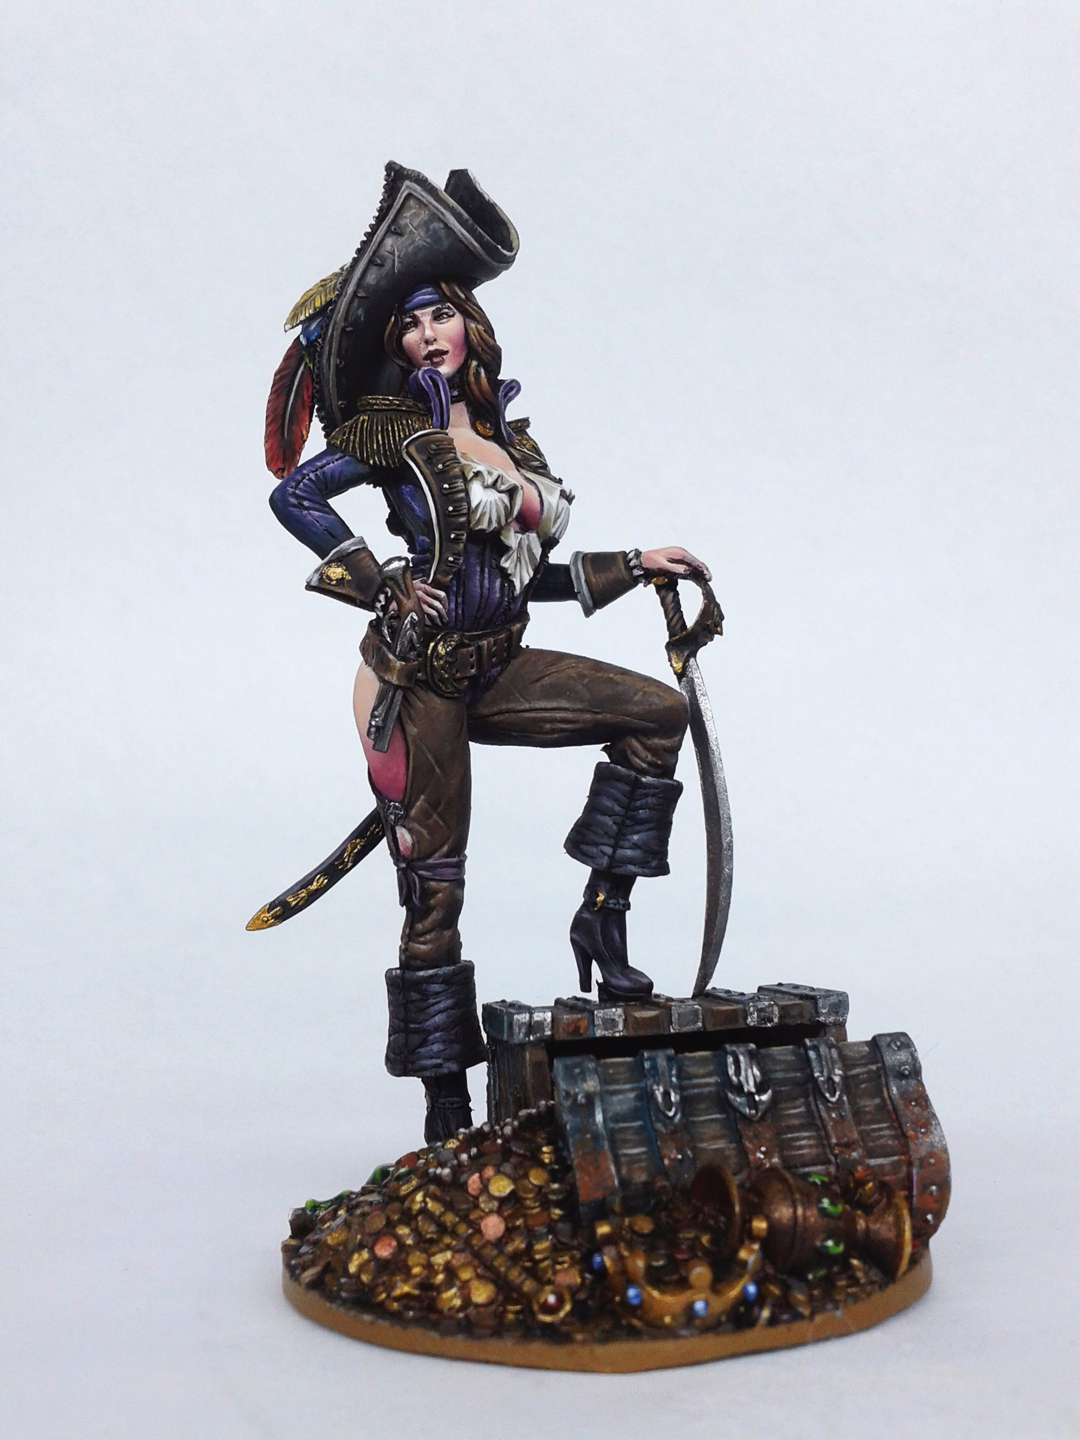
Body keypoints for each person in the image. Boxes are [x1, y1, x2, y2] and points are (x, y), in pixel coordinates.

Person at [265, 165, 711, 1142]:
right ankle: (445, 1101)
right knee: (436, 889)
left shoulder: (512, 438)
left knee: (658, 715)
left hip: (499, 663)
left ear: (470, 323)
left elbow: (519, 578)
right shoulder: (392, 431)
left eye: (442, 316)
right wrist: (378, 578)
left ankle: (603, 914)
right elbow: (294, 494)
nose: (429, 335)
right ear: (397, 346)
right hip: (418, 675)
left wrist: (635, 563)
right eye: (410, 325)